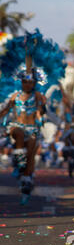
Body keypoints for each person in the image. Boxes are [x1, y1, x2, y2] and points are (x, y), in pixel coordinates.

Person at [0, 68, 47, 205]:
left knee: (31, 155)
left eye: (30, 82)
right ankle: (19, 163)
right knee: (19, 133)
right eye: (25, 82)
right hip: (17, 125)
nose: (27, 85)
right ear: (21, 82)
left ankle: (26, 183)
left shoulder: (38, 95)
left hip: (32, 128)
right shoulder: (15, 95)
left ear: (34, 83)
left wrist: (43, 105)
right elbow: (5, 110)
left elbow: (42, 111)